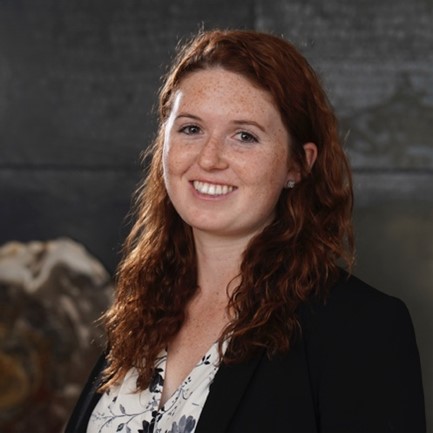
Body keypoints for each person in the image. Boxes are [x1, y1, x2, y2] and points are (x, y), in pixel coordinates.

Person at [65, 29, 426, 433]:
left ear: (297, 165)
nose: (210, 158)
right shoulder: (143, 308)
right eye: (191, 129)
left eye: (244, 136)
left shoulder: (362, 328)